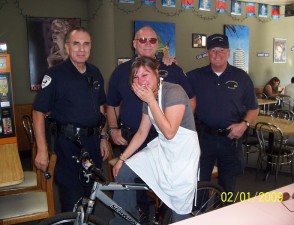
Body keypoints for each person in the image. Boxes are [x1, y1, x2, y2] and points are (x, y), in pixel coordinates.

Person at [109, 56, 200, 225]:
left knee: (179, 207)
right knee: (124, 171)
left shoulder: (174, 92)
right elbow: (142, 132)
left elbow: (170, 132)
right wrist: (122, 158)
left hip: (182, 152)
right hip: (163, 148)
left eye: (145, 75)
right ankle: (125, 221)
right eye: (136, 77)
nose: (140, 80)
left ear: (157, 73)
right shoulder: (149, 97)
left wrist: (151, 101)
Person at [32, 27, 110, 212]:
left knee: (91, 194)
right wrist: (42, 150)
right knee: (71, 198)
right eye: (76, 44)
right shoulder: (55, 75)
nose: (81, 49)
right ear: (67, 47)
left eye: (86, 44)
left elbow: (101, 108)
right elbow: (38, 112)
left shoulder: (95, 72)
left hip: (92, 143)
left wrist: (104, 137)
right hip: (68, 145)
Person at [187, 33, 259, 194]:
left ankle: (225, 216)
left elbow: (254, 108)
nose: (217, 54)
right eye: (213, 50)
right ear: (207, 54)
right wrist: (168, 63)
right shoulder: (194, 77)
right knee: (199, 183)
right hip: (203, 139)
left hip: (231, 140)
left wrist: (244, 124)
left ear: (228, 52)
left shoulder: (242, 77)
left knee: (228, 186)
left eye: (221, 50)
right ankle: (199, 216)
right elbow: (173, 83)